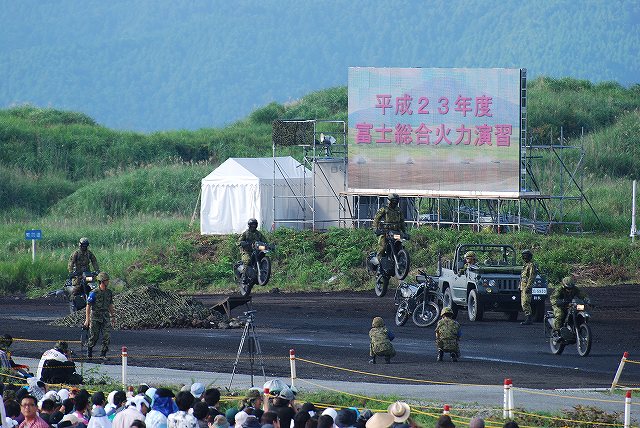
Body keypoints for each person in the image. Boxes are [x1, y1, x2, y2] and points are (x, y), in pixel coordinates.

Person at [84, 272, 116, 359]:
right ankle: (89, 353)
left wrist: (113, 316)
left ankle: (103, 354)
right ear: (102, 281)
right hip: (95, 317)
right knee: (94, 336)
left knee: (107, 336)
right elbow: (88, 306)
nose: (108, 282)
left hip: (105, 316)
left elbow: (110, 304)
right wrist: (87, 320)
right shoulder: (94, 292)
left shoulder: (109, 292)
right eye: (106, 280)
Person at [372, 193, 407, 265]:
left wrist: (404, 232)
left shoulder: (399, 210)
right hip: (386, 232)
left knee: (400, 244)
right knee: (383, 246)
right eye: (393, 200)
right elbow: (376, 219)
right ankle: (378, 263)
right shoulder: (384, 209)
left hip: (396, 232)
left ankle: (400, 260)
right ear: (389, 201)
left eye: (396, 201)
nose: (395, 202)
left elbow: (402, 222)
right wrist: (375, 228)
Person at [237, 218, 267, 283]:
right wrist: (243, 243)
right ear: (249, 225)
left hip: (257, 250)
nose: (253, 226)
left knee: (263, 255)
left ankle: (263, 273)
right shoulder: (246, 233)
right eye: (252, 224)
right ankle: (244, 276)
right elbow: (239, 241)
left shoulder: (258, 234)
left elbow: (265, 241)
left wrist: (268, 246)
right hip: (247, 251)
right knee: (247, 260)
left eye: (255, 224)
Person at [519, 249, 537, 325]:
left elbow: (531, 277)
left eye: (526, 256)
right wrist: (520, 286)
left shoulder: (531, 265)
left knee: (526, 302)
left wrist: (528, 287)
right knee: (523, 303)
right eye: (524, 256)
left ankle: (529, 318)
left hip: (526, 286)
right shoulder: (525, 265)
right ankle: (528, 318)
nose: (525, 257)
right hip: (523, 287)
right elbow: (522, 277)